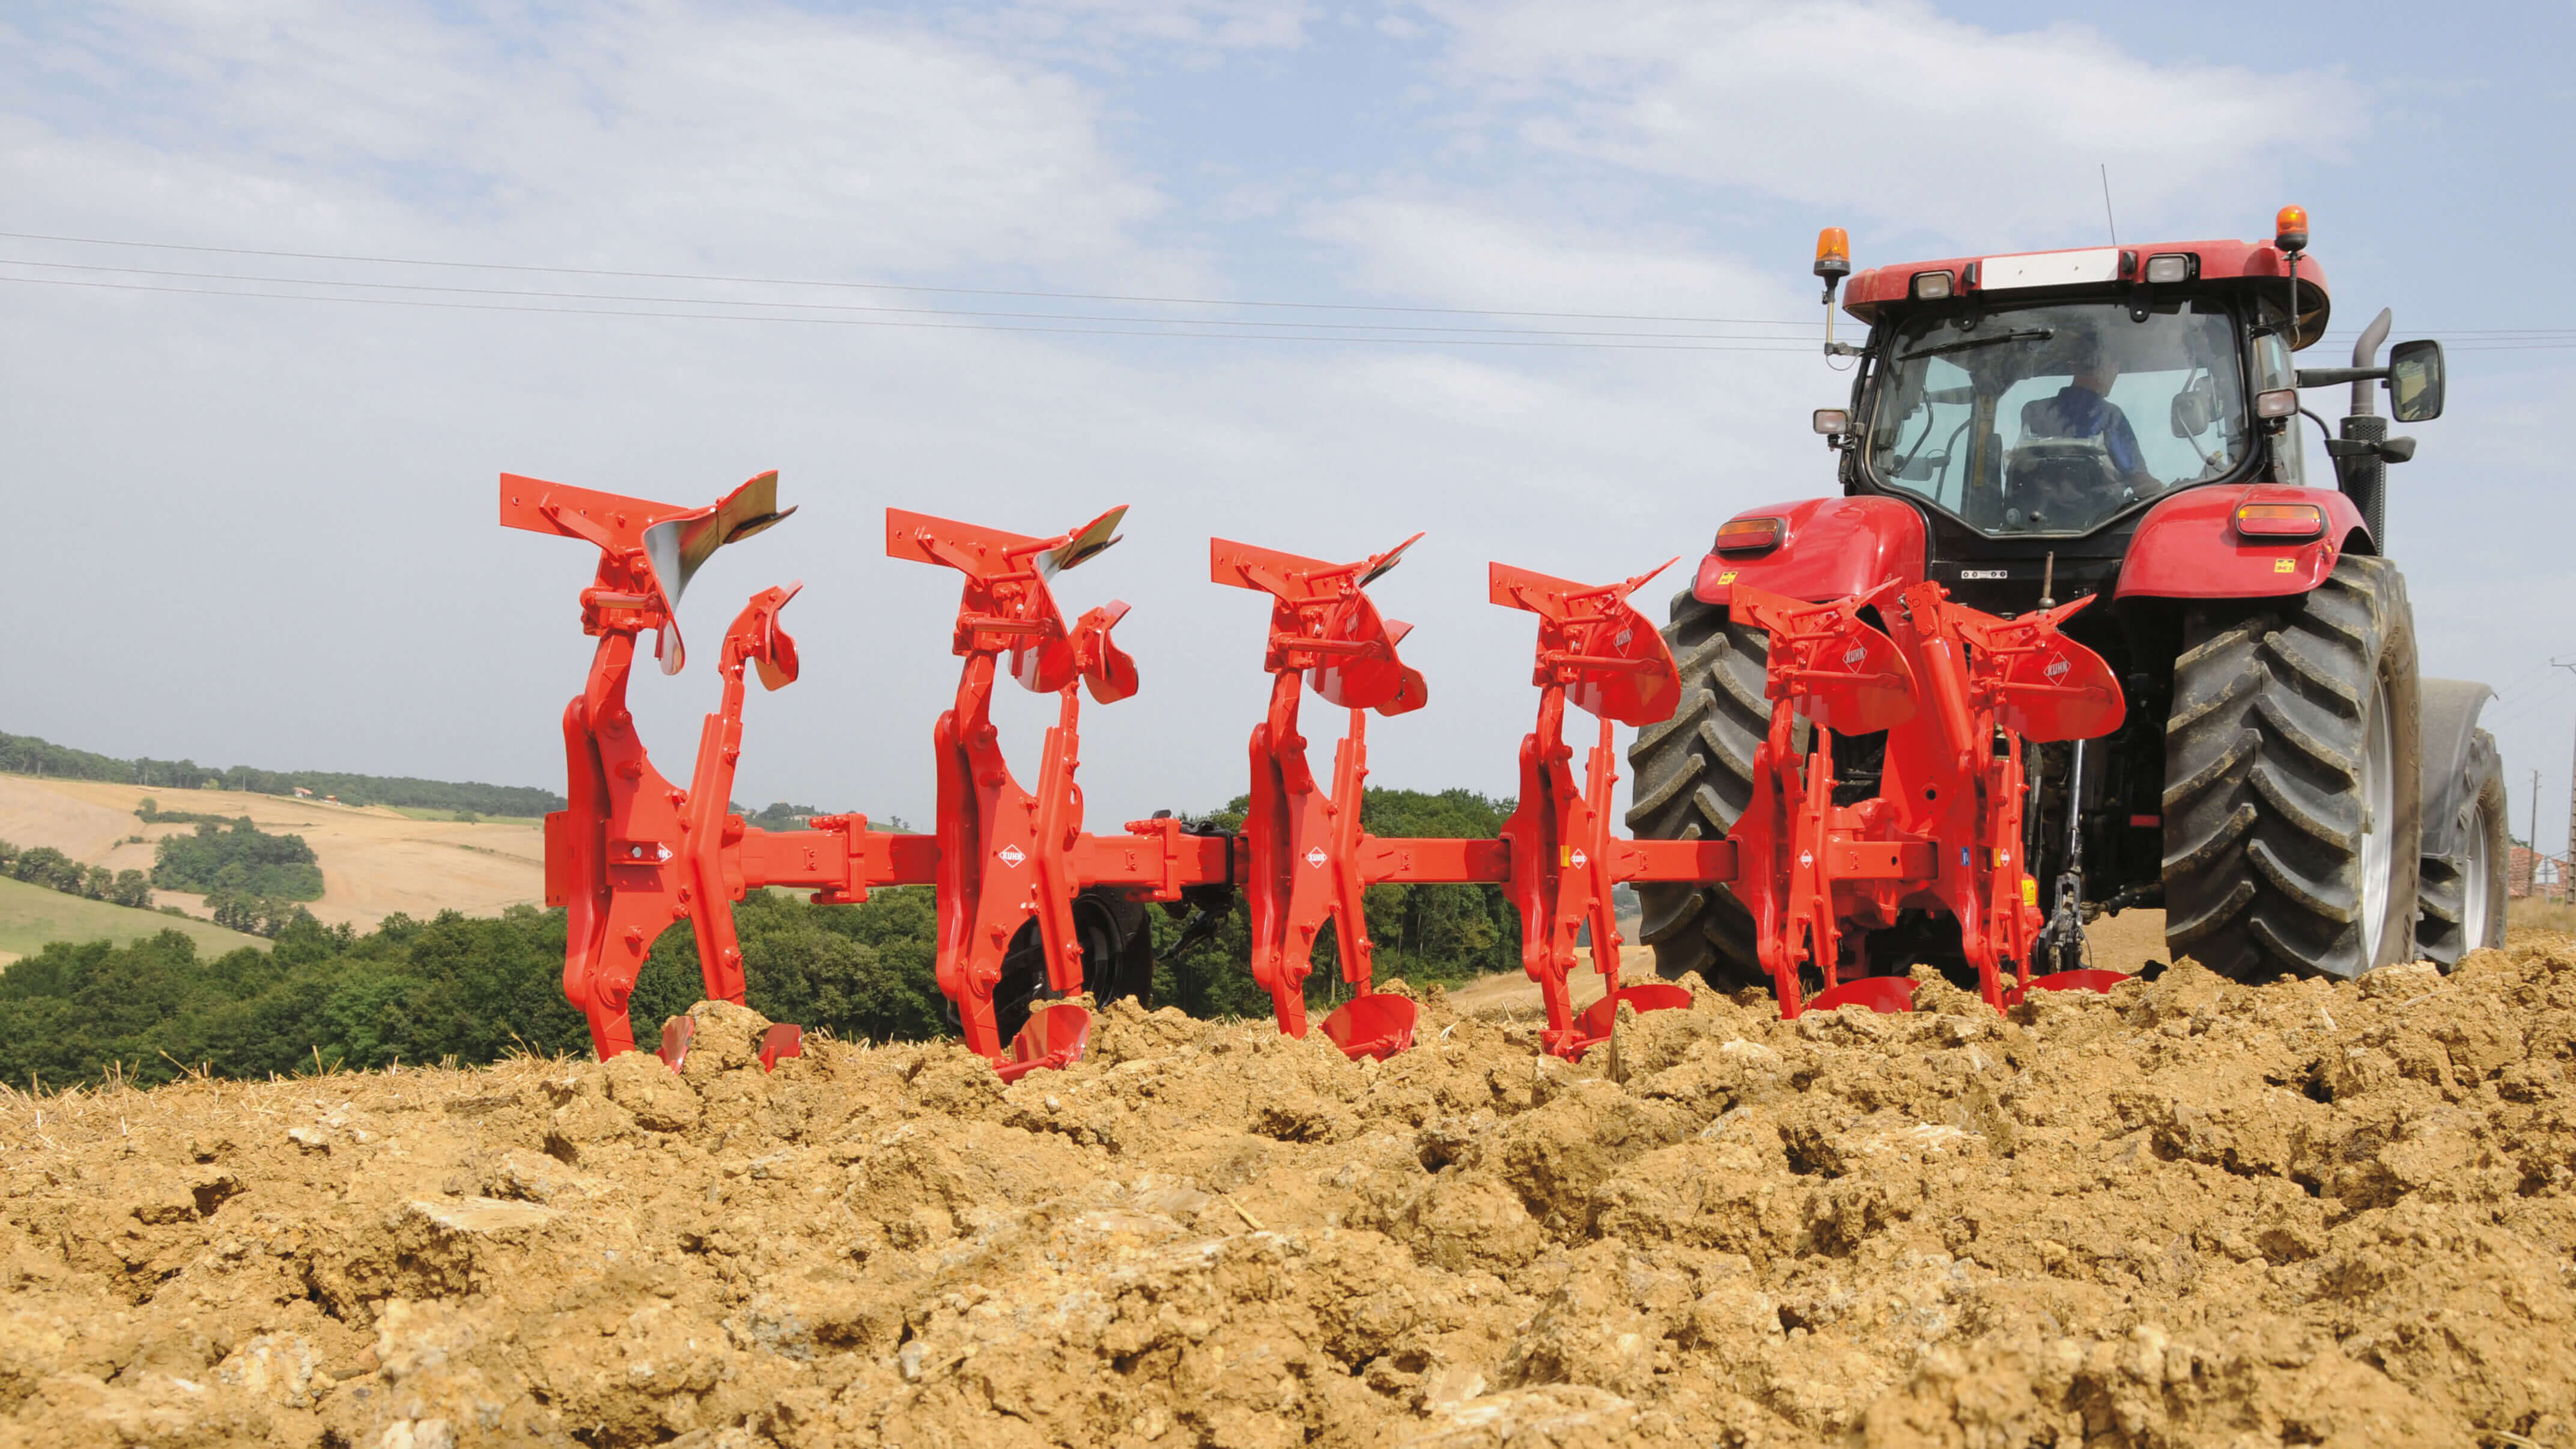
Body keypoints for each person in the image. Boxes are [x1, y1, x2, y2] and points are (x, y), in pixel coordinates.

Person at [2020, 330, 2149, 483]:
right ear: (2107, 368)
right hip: (2105, 507)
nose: (2115, 374)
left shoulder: (2033, 411)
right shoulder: (2110, 417)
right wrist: (2169, 491)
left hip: (2037, 506)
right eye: (2115, 368)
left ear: (2073, 366)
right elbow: (2138, 480)